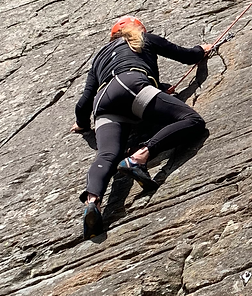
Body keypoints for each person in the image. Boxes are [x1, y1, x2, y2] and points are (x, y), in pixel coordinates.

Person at [73, 15, 212, 237]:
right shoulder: (144, 38)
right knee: (192, 121)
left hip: (103, 102)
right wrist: (201, 50)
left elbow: (84, 102)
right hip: (131, 86)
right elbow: (185, 55)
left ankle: (93, 202)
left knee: (107, 154)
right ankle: (138, 158)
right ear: (139, 29)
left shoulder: (99, 57)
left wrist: (81, 124)